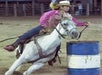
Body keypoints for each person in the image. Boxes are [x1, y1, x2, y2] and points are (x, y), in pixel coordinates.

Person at [4, 0, 89, 52]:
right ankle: (13, 45)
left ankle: (52, 57)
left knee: (57, 43)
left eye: (68, 7)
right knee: (29, 34)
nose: (68, 8)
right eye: (66, 6)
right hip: (44, 27)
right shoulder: (51, 13)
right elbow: (42, 19)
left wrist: (83, 24)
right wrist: (45, 26)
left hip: (56, 31)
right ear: (61, 7)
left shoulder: (68, 16)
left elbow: (75, 22)